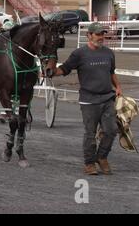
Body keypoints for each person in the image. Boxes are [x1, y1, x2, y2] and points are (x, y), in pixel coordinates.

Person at [52, 22, 122, 175]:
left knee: (111, 130)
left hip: (107, 98)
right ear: (89, 36)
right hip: (89, 100)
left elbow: (111, 72)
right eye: (97, 34)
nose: (101, 37)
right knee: (90, 134)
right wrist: (50, 72)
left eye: (102, 34)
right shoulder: (79, 54)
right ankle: (89, 163)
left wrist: (118, 87)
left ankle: (102, 157)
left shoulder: (109, 53)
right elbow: (64, 69)